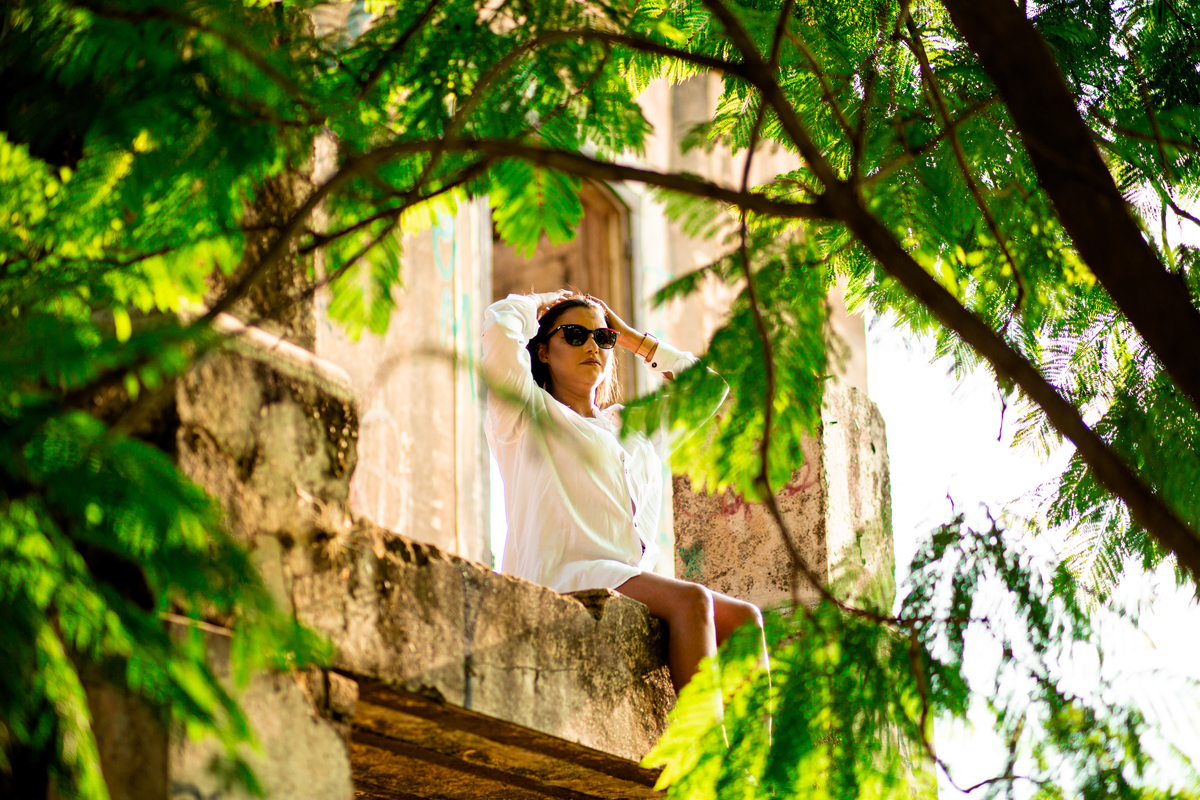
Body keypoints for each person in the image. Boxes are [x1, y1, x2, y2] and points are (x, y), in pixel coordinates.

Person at [482, 289, 767, 696]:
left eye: (602, 338)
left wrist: (631, 336)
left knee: (746, 619)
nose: (592, 346)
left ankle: (753, 759)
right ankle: (702, 752)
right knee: (692, 602)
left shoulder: (631, 430)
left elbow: (707, 390)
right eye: (575, 335)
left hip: (625, 579)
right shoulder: (525, 412)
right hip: (561, 575)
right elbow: (499, 324)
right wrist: (544, 301)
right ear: (543, 352)